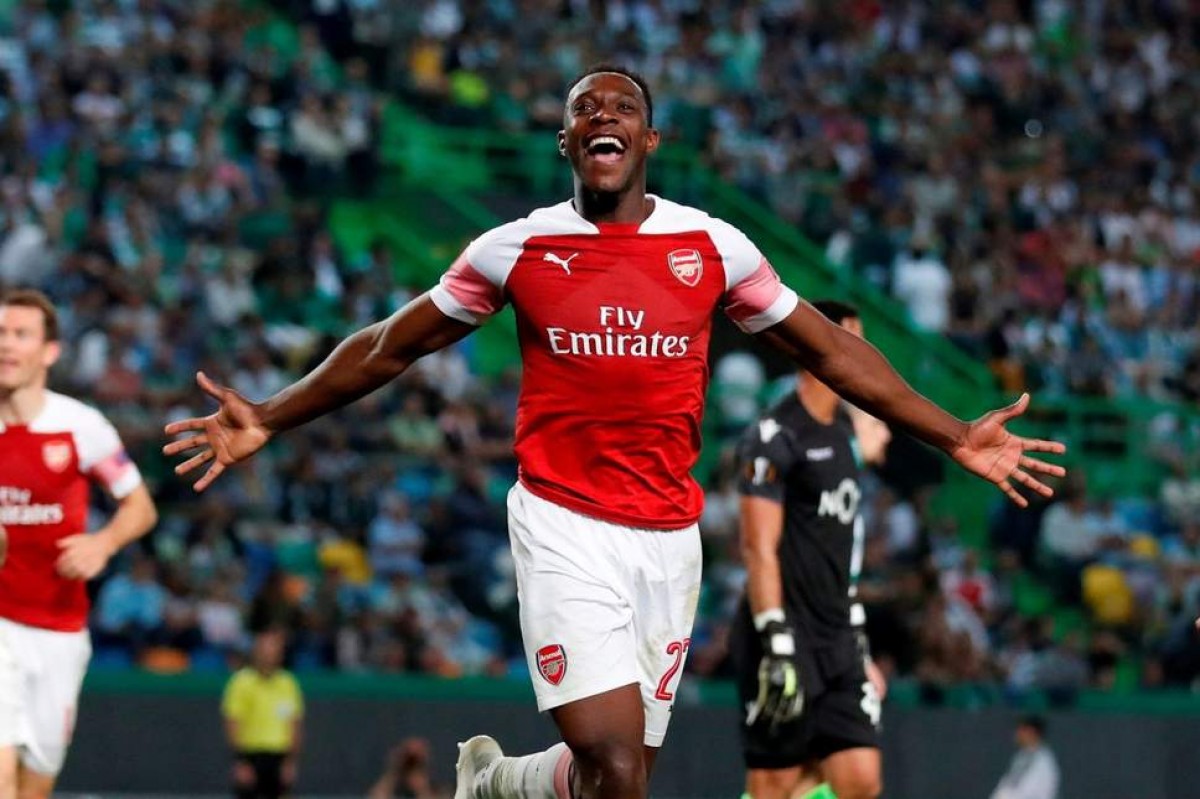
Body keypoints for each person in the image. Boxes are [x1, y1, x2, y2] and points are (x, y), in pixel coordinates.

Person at [163, 65, 1066, 799]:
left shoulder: (713, 248)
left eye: (623, 107)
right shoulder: (517, 248)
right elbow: (390, 345)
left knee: (611, 778)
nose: (603, 115)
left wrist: (954, 435)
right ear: (565, 142)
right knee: (619, 765)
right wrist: (270, 414)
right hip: (563, 523)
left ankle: (500, 782)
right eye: (584, 108)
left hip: (668, 540)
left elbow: (830, 350)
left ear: (649, 140)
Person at [0, 288, 158, 799]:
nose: (6, 344)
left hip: (58, 629)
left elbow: (140, 507)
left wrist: (103, 544)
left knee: (35, 784)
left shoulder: (80, 427)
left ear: (50, 351)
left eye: (20, 334)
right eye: (0, 333)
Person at [732, 300, 890, 799]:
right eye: (854, 340)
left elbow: (843, 554)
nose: (865, 353)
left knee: (860, 778)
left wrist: (858, 644)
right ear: (821, 344)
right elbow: (758, 548)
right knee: (774, 782)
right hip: (786, 628)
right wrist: (775, 637)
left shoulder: (845, 434)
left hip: (837, 634)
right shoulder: (775, 435)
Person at [222, 628, 304, 799]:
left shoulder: (288, 683)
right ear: (256, 653)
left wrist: (290, 762)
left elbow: (294, 725)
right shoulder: (241, 682)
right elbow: (232, 723)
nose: (268, 656)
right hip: (251, 756)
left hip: (279, 756)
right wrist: (241, 761)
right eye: (264, 651)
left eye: (273, 652)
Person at [989, 715, 1060, 799]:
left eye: (1021, 730)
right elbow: (1007, 785)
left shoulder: (1043, 761)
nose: (1017, 733)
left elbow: (1027, 792)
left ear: (1031, 731)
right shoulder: (1021, 756)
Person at [367, 737, 448, 799]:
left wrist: (422, 788)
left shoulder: (439, 790)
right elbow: (376, 796)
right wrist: (394, 771)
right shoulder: (392, 787)